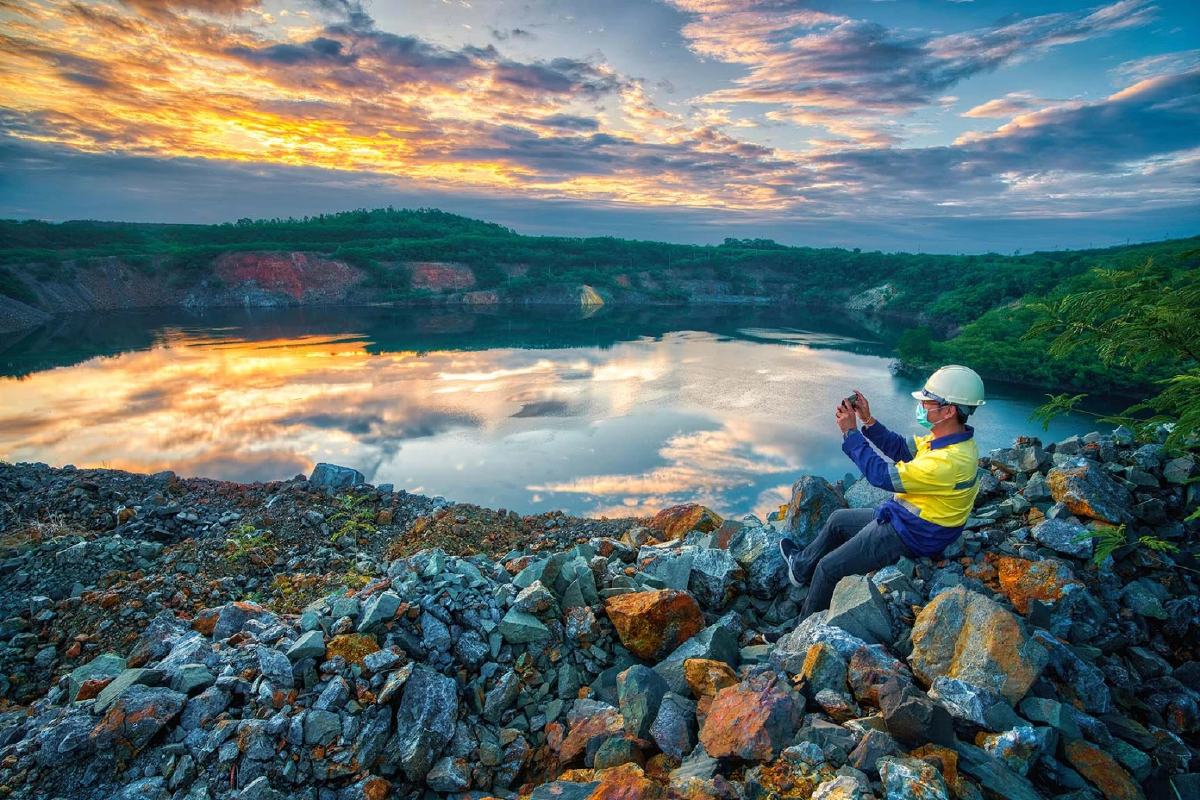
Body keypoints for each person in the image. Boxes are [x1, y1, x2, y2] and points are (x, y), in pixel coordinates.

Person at [778, 365, 987, 619]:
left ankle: (801, 633)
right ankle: (799, 568)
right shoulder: (951, 441)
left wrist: (850, 433)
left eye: (928, 402)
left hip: (913, 533)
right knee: (838, 520)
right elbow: (899, 447)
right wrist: (867, 420)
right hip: (912, 520)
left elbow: (880, 476)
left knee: (828, 568)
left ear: (949, 410)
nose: (922, 406)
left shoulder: (947, 462)